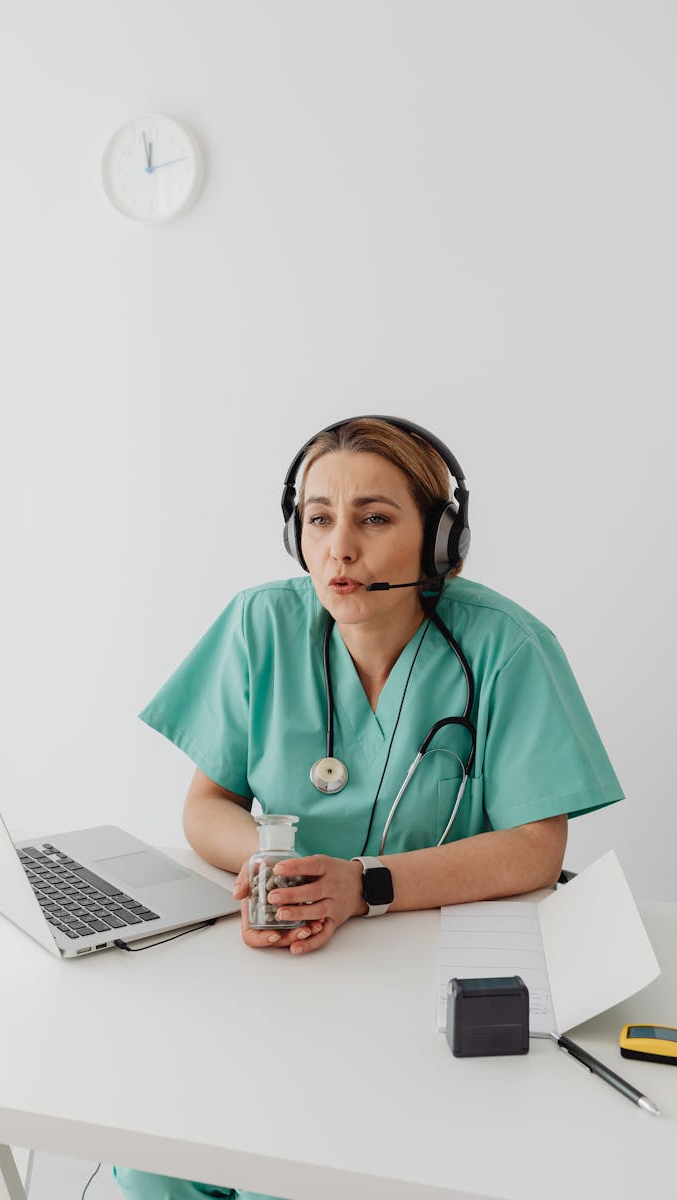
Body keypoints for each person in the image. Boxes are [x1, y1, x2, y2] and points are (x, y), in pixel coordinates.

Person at [113, 416, 623, 1200]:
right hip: (280, 983)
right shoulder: (261, 625)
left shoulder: (506, 647)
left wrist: (364, 885)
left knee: (291, 1175)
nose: (338, 548)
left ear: (441, 542)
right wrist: (264, 865)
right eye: (318, 518)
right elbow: (206, 804)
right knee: (151, 1157)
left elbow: (535, 849)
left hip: (423, 994)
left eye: (374, 518)